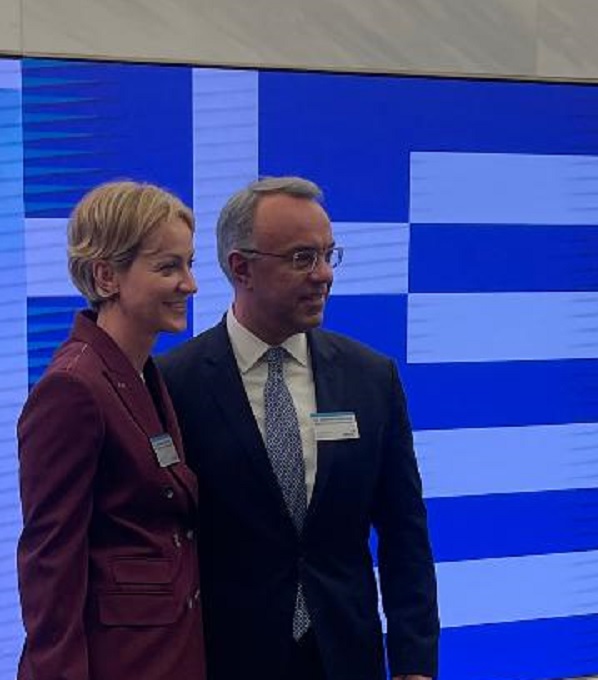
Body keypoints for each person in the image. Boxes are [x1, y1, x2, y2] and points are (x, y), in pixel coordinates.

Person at [159, 177, 439, 680]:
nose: (324, 274)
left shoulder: (371, 377)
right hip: (226, 662)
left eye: (329, 255)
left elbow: (405, 533)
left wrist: (414, 663)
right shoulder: (173, 385)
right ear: (241, 268)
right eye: (302, 258)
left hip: (347, 659)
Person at [16, 181, 203, 680]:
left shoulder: (141, 373)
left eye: (189, 264)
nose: (190, 284)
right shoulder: (72, 388)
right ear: (106, 276)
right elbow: (50, 563)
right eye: (168, 267)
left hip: (165, 656)